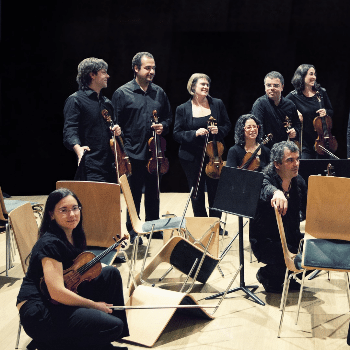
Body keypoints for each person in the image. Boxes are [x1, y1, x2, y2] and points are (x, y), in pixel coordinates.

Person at [16, 188, 129, 350]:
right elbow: (57, 292)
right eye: (64, 210)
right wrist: (94, 305)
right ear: (51, 214)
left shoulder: (74, 234)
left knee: (110, 273)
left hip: (54, 301)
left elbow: (72, 269)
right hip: (39, 312)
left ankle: (107, 339)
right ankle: (51, 344)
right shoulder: (49, 243)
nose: (72, 214)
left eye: (75, 208)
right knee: (113, 326)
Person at [112, 52, 172, 243]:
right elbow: (115, 122)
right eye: (147, 68)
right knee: (134, 194)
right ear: (136, 69)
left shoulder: (159, 92)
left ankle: (153, 228)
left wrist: (164, 126)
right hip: (133, 153)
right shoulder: (122, 93)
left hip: (155, 152)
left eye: (153, 68)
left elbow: (168, 118)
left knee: (154, 193)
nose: (151, 71)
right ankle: (134, 231)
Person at [173, 73, 231, 227]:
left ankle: (215, 225)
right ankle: (202, 225)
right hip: (191, 157)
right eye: (202, 84)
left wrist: (219, 130)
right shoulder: (182, 109)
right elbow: (177, 134)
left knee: (215, 193)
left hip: (214, 155)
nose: (206, 87)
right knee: (196, 193)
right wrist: (194, 133)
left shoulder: (217, 104)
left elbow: (227, 125)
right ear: (193, 87)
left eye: (207, 84)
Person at [249, 141, 307, 293]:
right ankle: (267, 275)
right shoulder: (264, 179)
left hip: (290, 237)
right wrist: (277, 193)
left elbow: (307, 209)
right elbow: (265, 188)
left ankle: (285, 276)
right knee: (294, 256)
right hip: (266, 242)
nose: (296, 164)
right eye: (290, 160)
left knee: (315, 252)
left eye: (297, 159)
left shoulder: (299, 182)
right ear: (277, 164)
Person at [63, 57, 121, 183]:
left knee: (112, 203)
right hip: (91, 166)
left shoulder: (107, 103)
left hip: (111, 165)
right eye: (104, 72)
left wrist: (117, 130)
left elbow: (112, 127)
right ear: (92, 75)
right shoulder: (75, 100)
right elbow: (70, 129)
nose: (108, 76)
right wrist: (78, 148)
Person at [286, 64, 334, 159]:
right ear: (302, 76)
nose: (314, 77)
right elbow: (283, 109)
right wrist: (296, 113)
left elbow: (331, 111)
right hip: (305, 142)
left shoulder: (321, 92)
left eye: (314, 74)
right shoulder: (293, 96)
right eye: (311, 74)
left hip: (323, 141)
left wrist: (326, 112)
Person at [251, 71, 300, 148]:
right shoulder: (259, 104)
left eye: (276, 85)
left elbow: (297, 125)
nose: (272, 88)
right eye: (268, 85)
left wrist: (295, 132)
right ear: (265, 86)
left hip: (285, 148)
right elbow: (257, 130)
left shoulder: (290, 105)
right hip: (265, 148)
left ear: (282, 87)